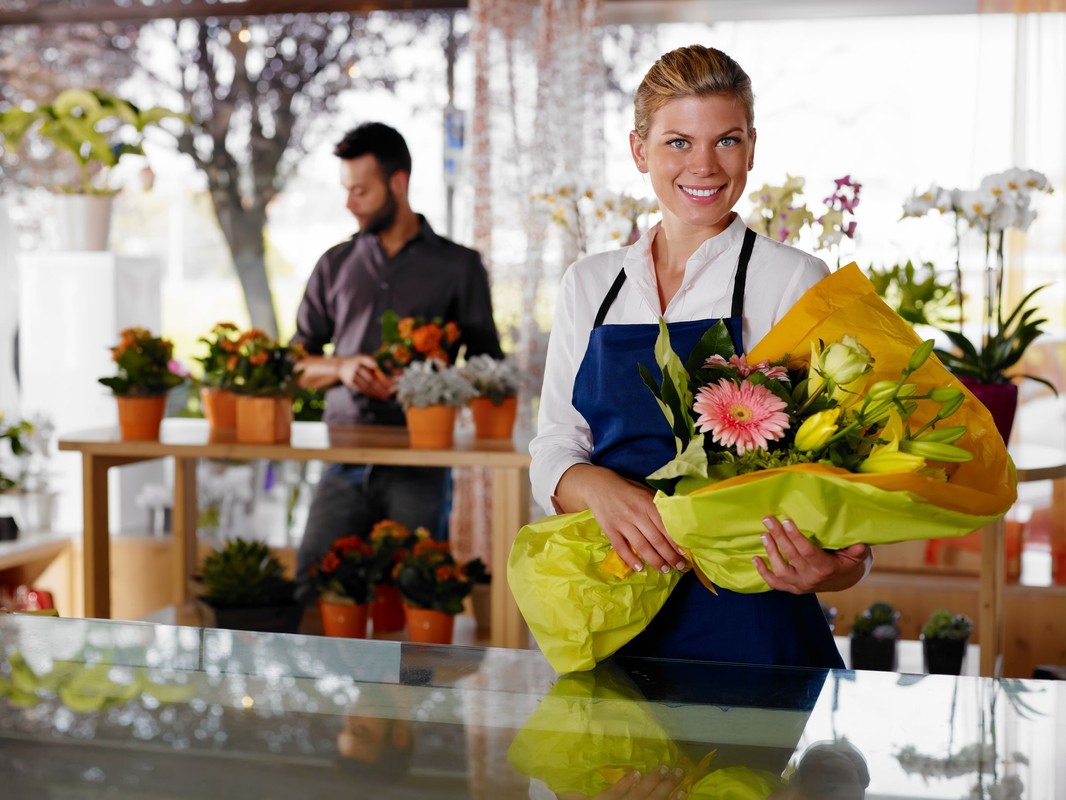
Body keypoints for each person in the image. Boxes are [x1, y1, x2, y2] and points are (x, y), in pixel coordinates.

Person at [528, 45, 870, 668]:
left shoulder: (794, 280)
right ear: (640, 151)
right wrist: (597, 488)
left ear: (752, 148)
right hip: (615, 613)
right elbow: (554, 444)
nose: (705, 165)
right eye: (678, 142)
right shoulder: (591, 283)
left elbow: (851, 476)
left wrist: (832, 570)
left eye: (727, 140)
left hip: (755, 624)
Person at [292, 122, 503, 604]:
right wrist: (342, 368)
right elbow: (296, 363)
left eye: (361, 191)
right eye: (347, 191)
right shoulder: (334, 264)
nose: (350, 203)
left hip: (421, 462)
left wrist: (428, 384)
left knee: (420, 597)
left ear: (398, 183)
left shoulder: (459, 266)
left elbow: (490, 367)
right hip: (342, 457)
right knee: (311, 589)